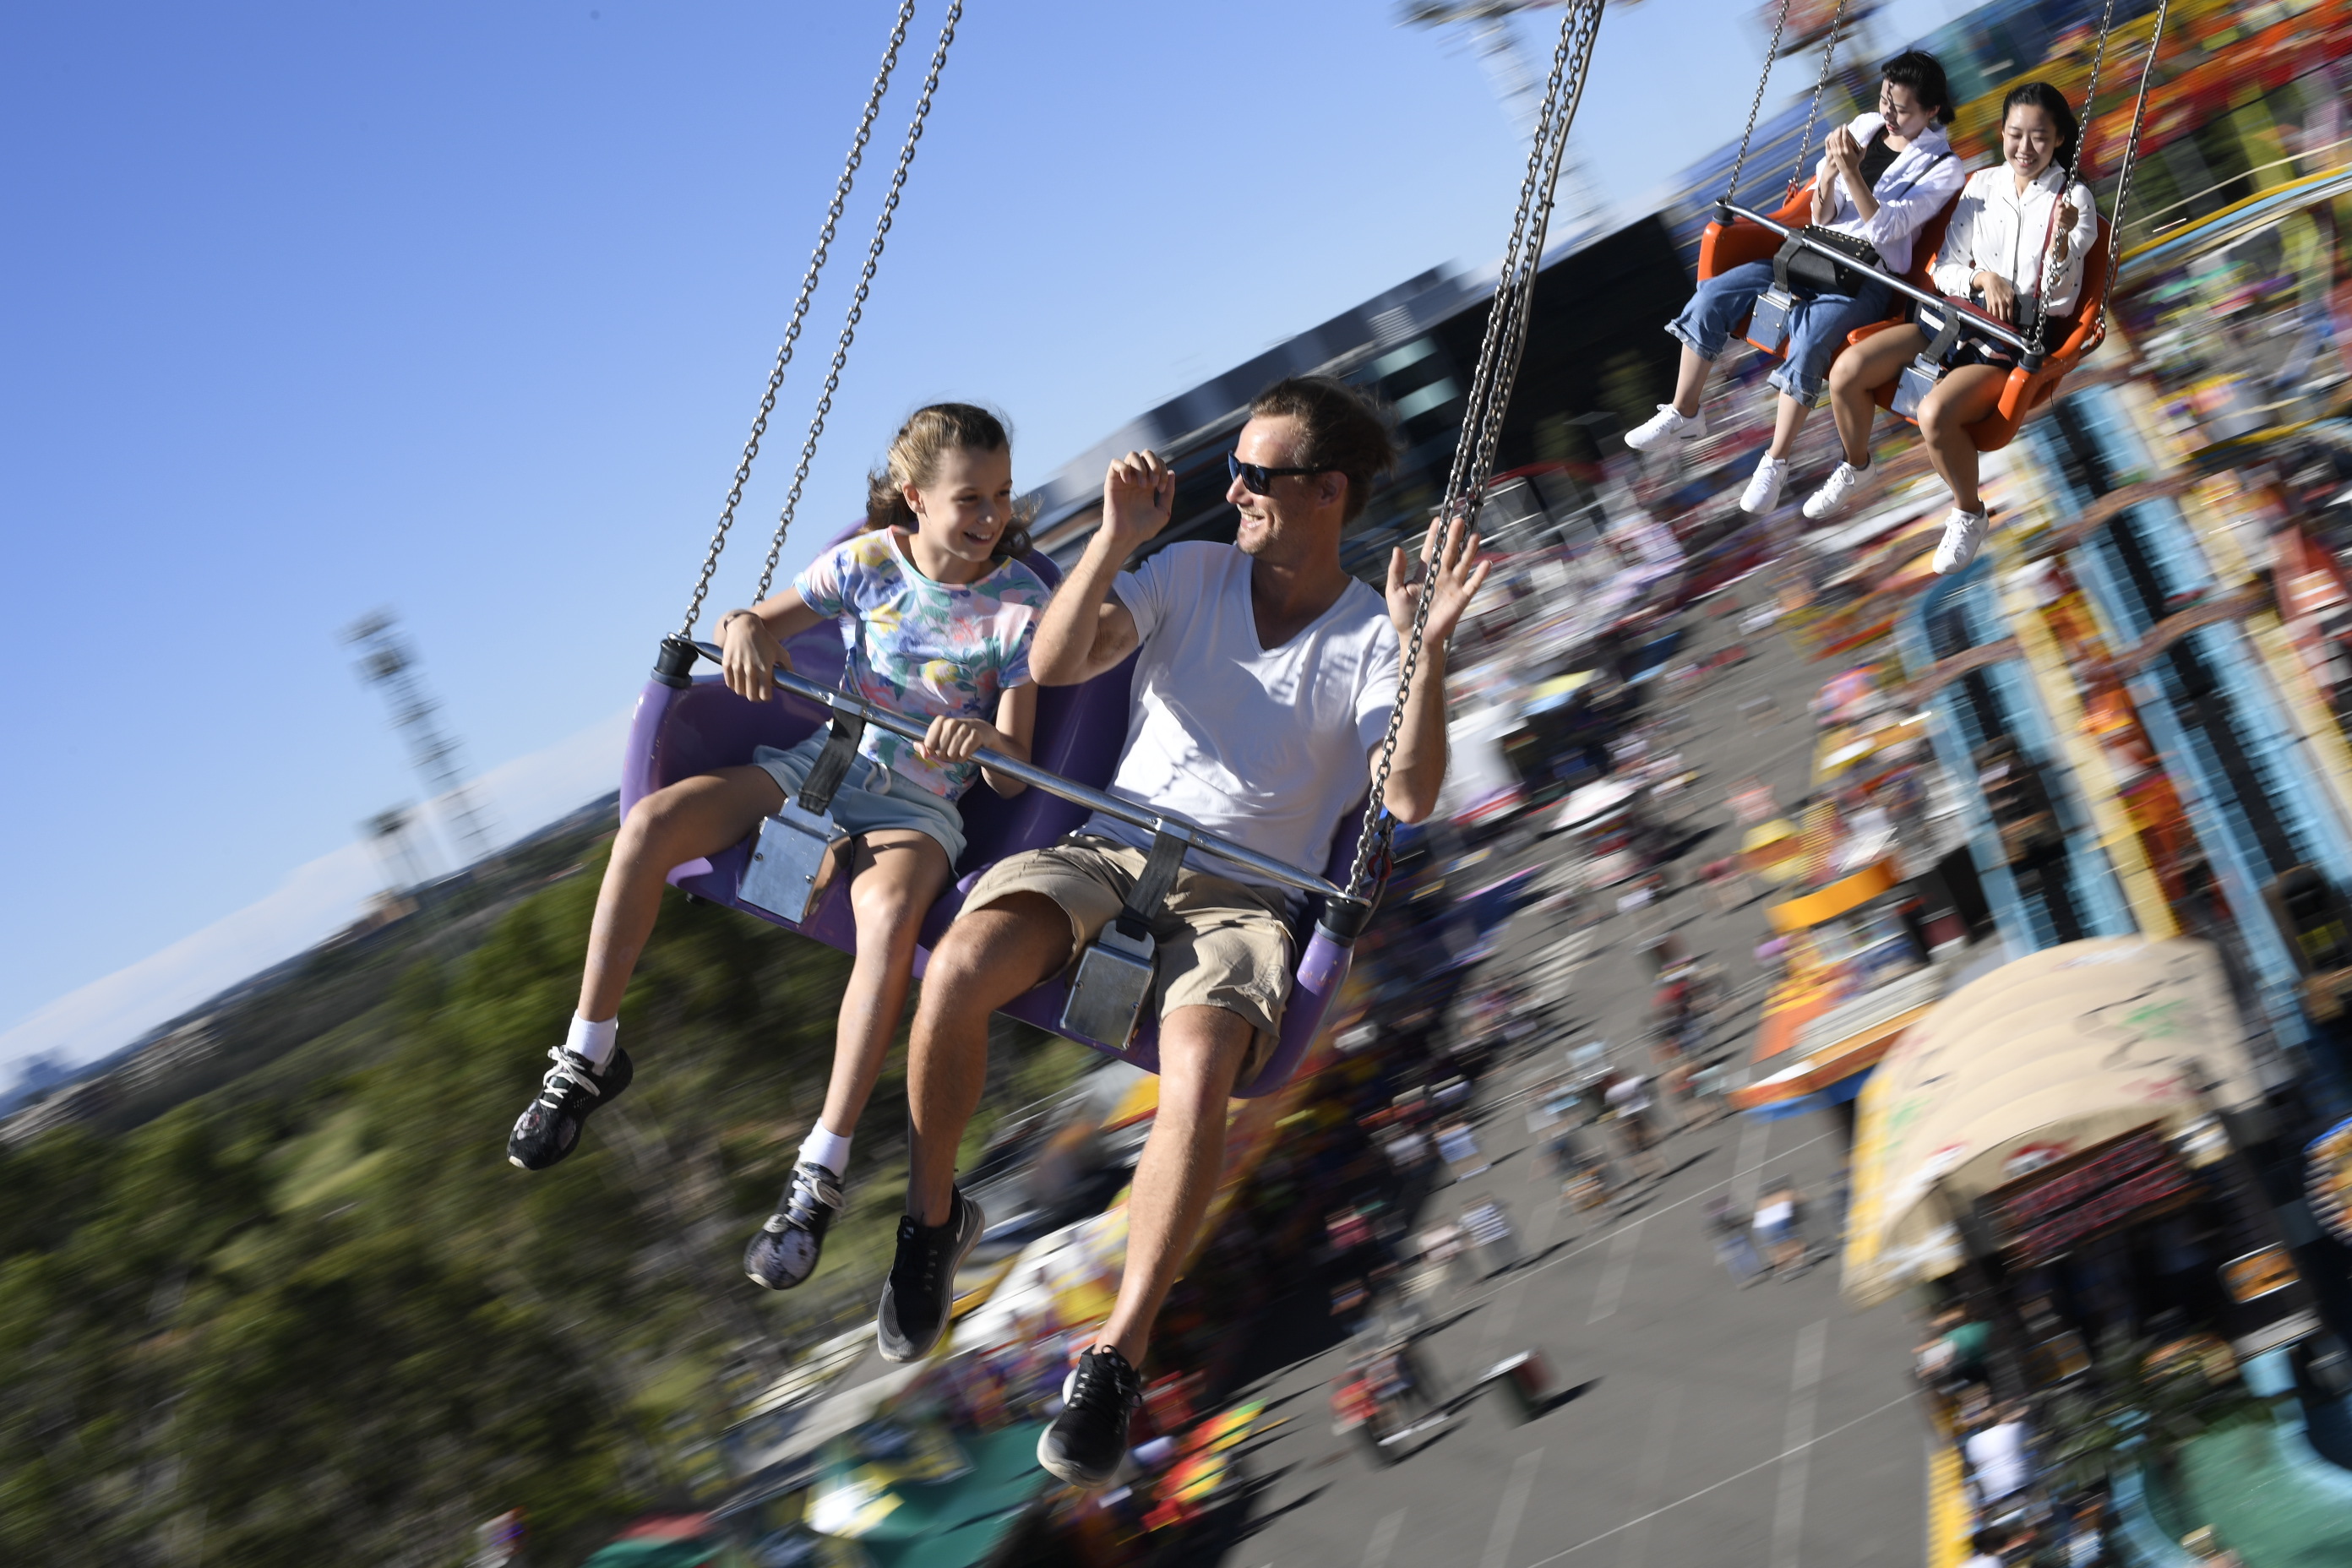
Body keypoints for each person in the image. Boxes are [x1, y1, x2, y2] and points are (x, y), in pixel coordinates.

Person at [876, 374, 1486, 1487]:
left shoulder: (1371, 635)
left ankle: (1116, 1356)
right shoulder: (1192, 570)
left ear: (1328, 492)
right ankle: (929, 1223)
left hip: (1245, 896)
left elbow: (1406, 795)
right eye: (1236, 469)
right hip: (1113, 851)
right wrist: (1115, 541)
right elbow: (1056, 662)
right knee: (958, 962)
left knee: (1198, 1067)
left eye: (1258, 473)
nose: (1235, 487)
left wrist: (1426, 654)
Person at [504, 404, 1049, 1293]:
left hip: (920, 807)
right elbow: (753, 622)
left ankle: (819, 1170)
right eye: (969, 499)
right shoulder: (870, 563)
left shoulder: (1019, 604)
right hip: (824, 766)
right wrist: (744, 629)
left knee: (888, 921)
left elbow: (1017, 775)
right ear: (914, 497)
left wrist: (985, 742)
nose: (991, 516)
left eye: (1001, 495)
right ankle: (588, 1053)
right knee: (648, 826)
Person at [1626, 51, 1964, 517]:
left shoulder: (1943, 167)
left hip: (1864, 278)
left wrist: (1850, 172)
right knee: (1713, 295)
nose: (1888, 114)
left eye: (1902, 110)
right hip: (1809, 254)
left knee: (1808, 341)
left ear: (1931, 111)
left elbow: (1888, 230)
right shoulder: (1866, 127)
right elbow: (1822, 215)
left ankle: (1775, 461)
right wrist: (1829, 175)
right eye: (1885, 99)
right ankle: (1685, 412)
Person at [1809, 80, 2099, 573]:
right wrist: (1982, 278)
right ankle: (1856, 464)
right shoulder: (1982, 185)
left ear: (2058, 139)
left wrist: (2064, 240)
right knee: (1846, 371)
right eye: (2015, 135)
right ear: (2002, 133)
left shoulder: (2073, 201)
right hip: (1951, 317)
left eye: (2038, 137)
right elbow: (1944, 268)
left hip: (2008, 341)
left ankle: (1968, 512)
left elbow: (2062, 293)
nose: (2024, 148)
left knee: (1935, 413)